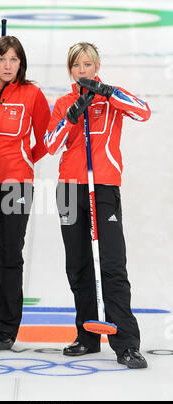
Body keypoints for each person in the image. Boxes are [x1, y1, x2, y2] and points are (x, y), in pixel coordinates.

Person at [44, 42, 151, 369]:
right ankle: (87, 335)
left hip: (103, 187)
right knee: (78, 265)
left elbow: (142, 111)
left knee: (112, 264)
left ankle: (126, 343)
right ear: (70, 70)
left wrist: (107, 91)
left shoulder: (111, 97)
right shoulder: (64, 103)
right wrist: (73, 115)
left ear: (97, 66)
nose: (82, 70)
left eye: (88, 64)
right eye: (76, 65)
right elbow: (50, 145)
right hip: (70, 189)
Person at [0, 35, 51, 351]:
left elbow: (46, 137)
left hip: (17, 183)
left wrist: (26, 158)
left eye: (14, 59)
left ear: (21, 63)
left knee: (10, 254)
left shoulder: (32, 94)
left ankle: (4, 329)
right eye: (2, 59)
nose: (7, 65)